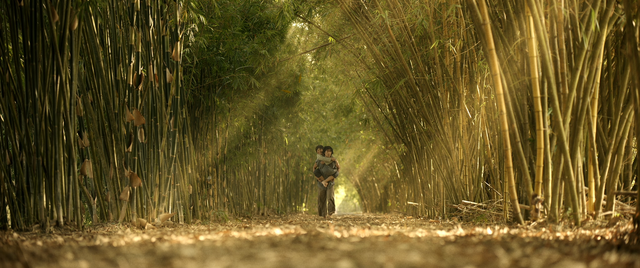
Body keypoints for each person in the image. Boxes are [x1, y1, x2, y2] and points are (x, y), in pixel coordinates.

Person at [312, 145, 340, 217]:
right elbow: (314, 168)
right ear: (324, 153)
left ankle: (330, 213)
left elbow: (338, 167)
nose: (328, 153)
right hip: (321, 182)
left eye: (330, 151)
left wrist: (336, 175)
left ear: (331, 153)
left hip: (330, 182)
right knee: (321, 198)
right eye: (327, 151)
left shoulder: (333, 160)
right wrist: (317, 177)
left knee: (330, 197)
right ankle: (322, 215)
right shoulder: (319, 160)